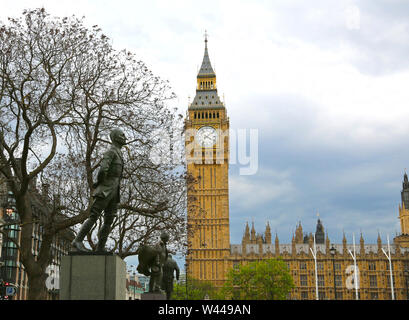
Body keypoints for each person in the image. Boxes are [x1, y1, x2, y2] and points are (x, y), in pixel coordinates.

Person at [71, 129, 126, 252]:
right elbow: (102, 171)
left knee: (109, 220)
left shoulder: (119, 153)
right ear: (116, 138)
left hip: (114, 191)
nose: (125, 137)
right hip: (105, 190)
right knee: (94, 216)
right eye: (122, 135)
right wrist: (102, 184)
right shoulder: (111, 152)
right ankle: (77, 241)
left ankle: (100, 247)